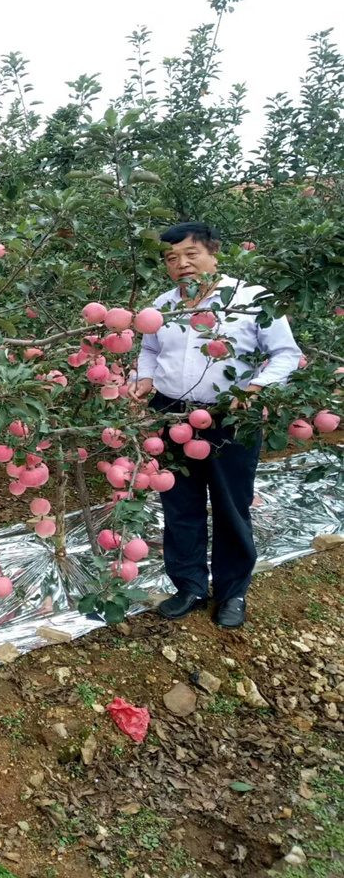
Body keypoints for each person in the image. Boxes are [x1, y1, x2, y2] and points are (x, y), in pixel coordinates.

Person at [127, 223, 302, 628]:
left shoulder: (252, 298)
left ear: (213, 254)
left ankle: (232, 592)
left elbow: (285, 354)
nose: (182, 264)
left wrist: (256, 388)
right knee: (179, 503)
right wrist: (145, 378)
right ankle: (189, 585)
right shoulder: (163, 304)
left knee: (230, 506)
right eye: (172, 258)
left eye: (191, 254)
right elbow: (150, 349)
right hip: (171, 413)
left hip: (230, 418)